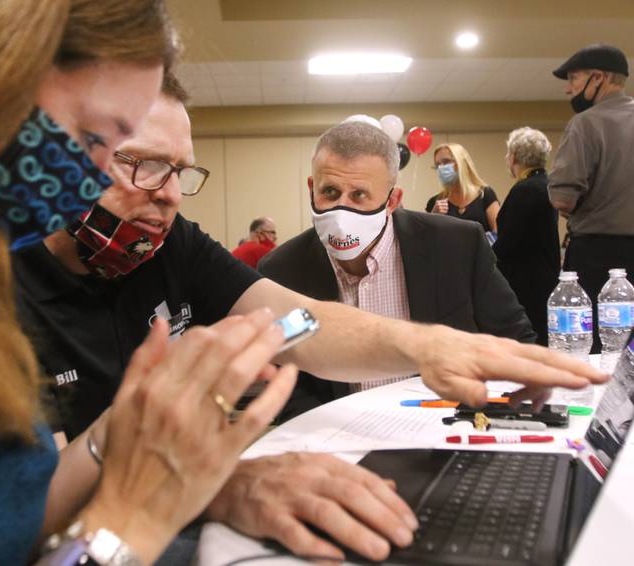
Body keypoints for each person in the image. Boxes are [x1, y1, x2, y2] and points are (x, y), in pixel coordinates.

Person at [14, 75, 606, 560]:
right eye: (140, 165)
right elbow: (23, 514)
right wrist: (201, 475)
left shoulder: (176, 246)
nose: (167, 193)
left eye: (179, 172)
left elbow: (300, 324)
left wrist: (424, 346)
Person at [0, 2, 297, 565]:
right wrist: (137, 514)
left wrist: (134, 425)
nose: (90, 186)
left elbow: (17, 514)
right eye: (93, 138)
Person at [258, 121, 536, 420]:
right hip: (340, 441)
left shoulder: (456, 246)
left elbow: (514, 343)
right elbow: (283, 384)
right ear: (312, 188)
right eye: (330, 191)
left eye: (359, 195)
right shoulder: (281, 272)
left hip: (445, 430)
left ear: (392, 200)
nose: (341, 211)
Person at [549, 43, 634, 354]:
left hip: (598, 255)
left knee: (598, 351)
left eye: (573, 79)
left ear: (599, 77)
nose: (568, 89)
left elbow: (562, 199)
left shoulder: (586, 124)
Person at [493, 127, 560, 347]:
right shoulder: (546, 185)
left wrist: (485, 256)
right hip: (546, 276)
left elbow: (509, 242)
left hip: (527, 283)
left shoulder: (525, 190)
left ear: (513, 157)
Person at [426, 143, 500, 236]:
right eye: (437, 165)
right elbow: (426, 238)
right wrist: (433, 217)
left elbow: (498, 233)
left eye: (446, 162)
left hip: (482, 250)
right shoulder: (435, 202)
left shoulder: (485, 194)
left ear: (461, 162)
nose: (441, 168)